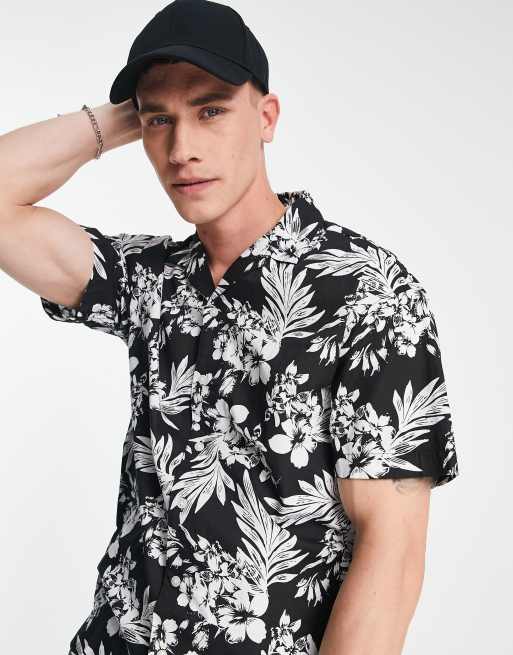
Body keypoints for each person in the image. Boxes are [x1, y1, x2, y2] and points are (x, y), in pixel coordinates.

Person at [0, 1, 459, 654]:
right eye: (161, 122)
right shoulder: (150, 280)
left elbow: (393, 549)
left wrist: (165, 104)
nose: (181, 150)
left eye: (211, 110)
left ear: (266, 117)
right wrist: (127, 114)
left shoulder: (366, 291)